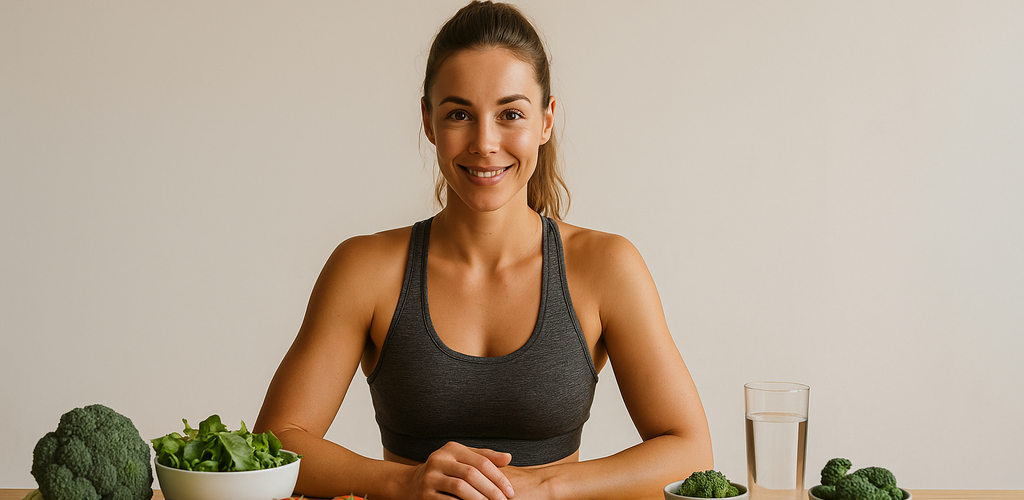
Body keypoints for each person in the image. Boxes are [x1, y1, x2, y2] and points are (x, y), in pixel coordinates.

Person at [253, 2, 713, 499]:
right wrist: (405, 482)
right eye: (459, 114)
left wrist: (541, 487)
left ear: (546, 120)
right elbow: (275, 442)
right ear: (428, 122)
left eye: (510, 113)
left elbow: (690, 452)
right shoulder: (365, 269)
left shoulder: (606, 267)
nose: (485, 142)